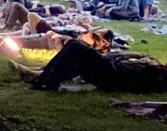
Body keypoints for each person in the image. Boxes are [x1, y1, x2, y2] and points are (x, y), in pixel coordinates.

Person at [10, 38, 167, 93]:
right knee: (73, 46)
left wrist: (143, 62)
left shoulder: (158, 73)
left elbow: (132, 78)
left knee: (76, 47)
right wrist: (139, 56)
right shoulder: (155, 64)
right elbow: (131, 58)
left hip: (113, 74)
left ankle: (45, 79)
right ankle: (41, 74)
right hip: (113, 65)